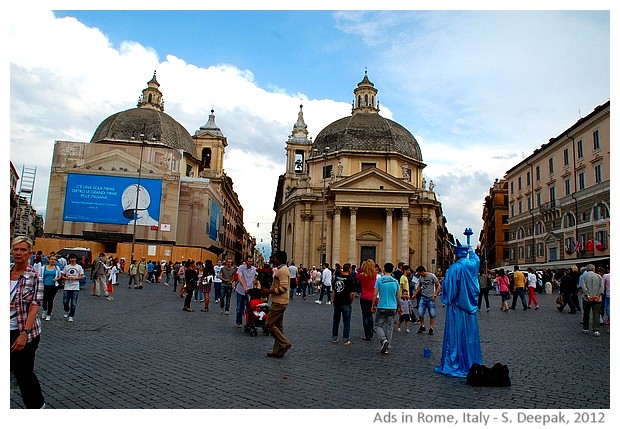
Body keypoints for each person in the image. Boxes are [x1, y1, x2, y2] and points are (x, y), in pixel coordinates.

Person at [434, 243, 482, 378]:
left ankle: (454, 361)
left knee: (455, 335)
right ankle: (471, 361)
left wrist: (448, 298)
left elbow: (449, 291)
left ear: (456, 254)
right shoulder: (471, 265)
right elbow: (476, 261)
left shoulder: (453, 269)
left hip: (456, 309)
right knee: (470, 335)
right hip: (469, 309)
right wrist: (472, 252)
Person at [10, 236, 46, 409]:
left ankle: (36, 407)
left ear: (30, 253)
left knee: (24, 373)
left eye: (23, 250)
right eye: (16, 249)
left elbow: (34, 306)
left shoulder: (34, 276)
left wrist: (24, 333)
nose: (18, 253)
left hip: (25, 331)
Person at [262, 250, 292, 358]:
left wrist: (269, 292)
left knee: (269, 324)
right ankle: (277, 350)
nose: (274, 260)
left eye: (275, 258)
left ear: (278, 259)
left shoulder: (283, 271)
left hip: (279, 302)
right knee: (278, 327)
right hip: (280, 301)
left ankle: (285, 343)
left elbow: (283, 287)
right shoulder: (282, 270)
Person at [372, 262, 401, 354]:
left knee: (378, 325)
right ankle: (387, 347)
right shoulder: (395, 281)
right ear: (392, 270)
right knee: (390, 327)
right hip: (393, 307)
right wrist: (400, 307)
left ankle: (384, 340)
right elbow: (398, 296)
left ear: (384, 269)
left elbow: (375, 294)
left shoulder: (380, 280)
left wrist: (373, 305)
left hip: (382, 306)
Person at [412, 265, 441, 335]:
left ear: (422, 271)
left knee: (432, 314)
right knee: (420, 313)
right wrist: (415, 294)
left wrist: (435, 295)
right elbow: (419, 286)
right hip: (423, 297)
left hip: (431, 298)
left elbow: (439, 285)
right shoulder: (421, 278)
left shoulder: (432, 276)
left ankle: (431, 328)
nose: (419, 275)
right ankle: (422, 325)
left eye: (419, 273)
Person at [331, 263, 355, 345]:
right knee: (346, 321)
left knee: (336, 321)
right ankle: (345, 339)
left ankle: (334, 337)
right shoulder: (350, 279)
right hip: (346, 302)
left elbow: (333, 291)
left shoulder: (336, 278)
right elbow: (352, 294)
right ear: (349, 269)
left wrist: (333, 300)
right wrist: (351, 301)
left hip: (337, 302)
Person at [356, 259, 377, 341]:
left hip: (364, 297)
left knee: (365, 315)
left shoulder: (362, 275)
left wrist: (362, 268)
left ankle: (367, 334)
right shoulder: (374, 275)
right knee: (370, 315)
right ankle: (371, 332)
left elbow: (356, 275)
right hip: (372, 297)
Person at [581, 264, 604, 337]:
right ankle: (596, 329)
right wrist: (598, 295)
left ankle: (586, 328)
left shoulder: (584, 277)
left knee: (586, 313)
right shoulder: (599, 276)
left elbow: (583, 287)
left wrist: (588, 295)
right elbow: (602, 287)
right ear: (593, 269)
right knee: (596, 314)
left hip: (587, 299)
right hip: (597, 299)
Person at [61, 253, 84, 322]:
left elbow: (81, 276)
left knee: (74, 303)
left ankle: (71, 316)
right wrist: (66, 278)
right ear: (69, 259)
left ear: (76, 259)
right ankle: (67, 310)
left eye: (73, 258)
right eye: (71, 258)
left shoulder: (79, 267)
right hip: (67, 286)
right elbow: (62, 276)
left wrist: (75, 278)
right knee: (65, 301)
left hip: (75, 287)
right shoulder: (66, 267)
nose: (72, 260)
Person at [236, 257, 257, 328]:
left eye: (251, 261)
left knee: (250, 308)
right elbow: (239, 277)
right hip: (240, 290)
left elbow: (255, 279)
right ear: (246, 261)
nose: (250, 263)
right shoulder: (241, 268)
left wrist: (257, 285)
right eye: (249, 261)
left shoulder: (254, 269)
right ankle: (239, 322)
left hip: (249, 291)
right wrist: (244, 286)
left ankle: (249, 322)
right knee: (239, 307)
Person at [41, 255, 62, 321]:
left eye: (54, 259)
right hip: (45, 285)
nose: (53, 261)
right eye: (52, 259)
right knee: (44, 299)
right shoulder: (44, 267)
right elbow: (41, 275)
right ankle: (44, 310)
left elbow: (59, 276)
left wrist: (56, 279)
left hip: (53, 286)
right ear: (49, 260)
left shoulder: (56, 268)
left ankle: (49, 314)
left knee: (50, 300)